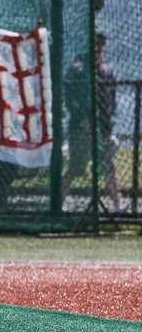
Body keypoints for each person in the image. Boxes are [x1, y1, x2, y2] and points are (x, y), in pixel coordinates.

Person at [63, 33, 123, 212]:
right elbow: (70, 97)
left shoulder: (107, 69)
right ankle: (58, 201)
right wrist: (81, 119)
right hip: (82, 129)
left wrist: (110, 117)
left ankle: (119, 203)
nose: (98, 48)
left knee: (110, 167)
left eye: (101, 44)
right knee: (75, 167)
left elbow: (111, 98)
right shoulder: (78, 69)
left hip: (104, 127)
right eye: (95, 44)